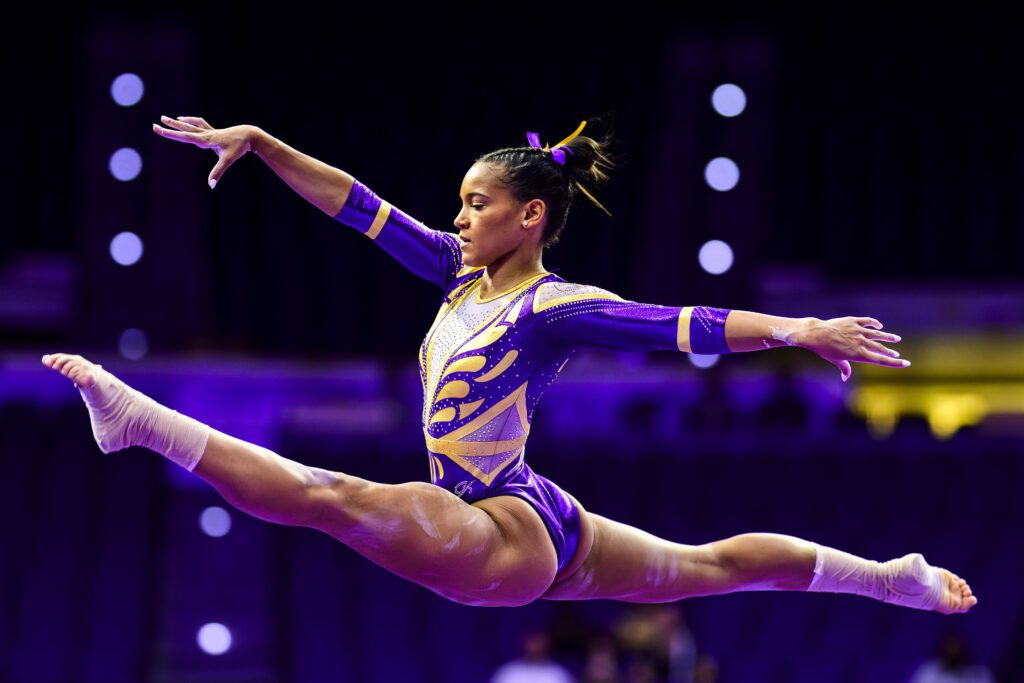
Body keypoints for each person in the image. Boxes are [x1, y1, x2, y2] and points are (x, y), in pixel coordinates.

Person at [40, 114, 978, 615]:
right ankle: (889, 577)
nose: (457, 217)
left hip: (501, 526)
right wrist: (264, 144)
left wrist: (799, 327)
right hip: (533, 511)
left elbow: (677, 324)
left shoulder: (550, 307)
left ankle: (142, 423)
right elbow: (356, 206)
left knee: (328, 497)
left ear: (528, 216)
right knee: (710, 563)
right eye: (459, 202)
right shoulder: (457, 272)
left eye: (475, 204)